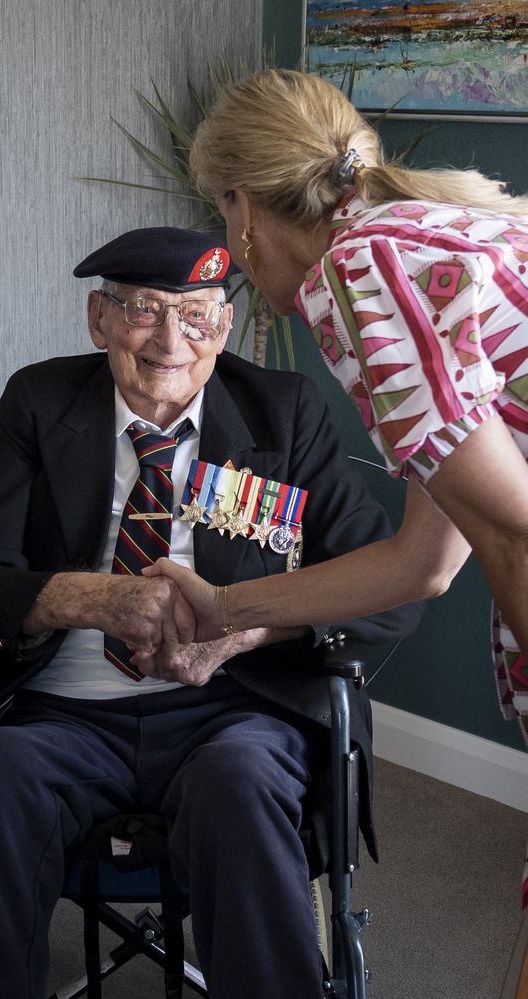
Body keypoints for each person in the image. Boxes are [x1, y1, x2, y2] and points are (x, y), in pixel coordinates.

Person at [0, 225, 422, 999]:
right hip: (62, 713)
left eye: (197, 314)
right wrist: (93, 599)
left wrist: (248, 628)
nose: (172, 340)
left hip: (235, 710)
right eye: (145, 311)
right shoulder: (41, 402)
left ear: (222, 324)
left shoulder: (281, 412)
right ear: (99, 320)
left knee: (243, 785)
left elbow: (389, 588)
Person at [145, 69, 528, 763]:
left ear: (246, 208)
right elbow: (425, 563)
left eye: (223, 215)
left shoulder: (362, 271)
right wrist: (225, 609)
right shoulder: (417, 237)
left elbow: (516, 539)